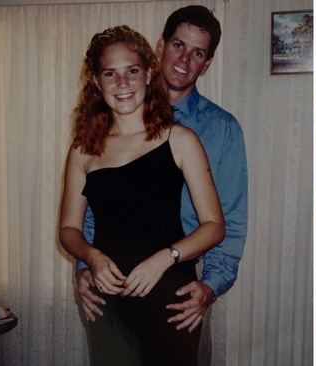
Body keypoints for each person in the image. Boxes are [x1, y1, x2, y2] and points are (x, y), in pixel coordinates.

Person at [74, 6, 248, 365]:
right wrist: (85, 267)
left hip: (182, 285)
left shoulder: (219, 130)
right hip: (113, 282)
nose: (185, 60)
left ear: (207, 63)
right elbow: (92, 214)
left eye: (197, 53)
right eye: (179, 45)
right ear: (160, 47)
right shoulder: (98, 138)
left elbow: (227, 221)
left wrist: (209, 287)